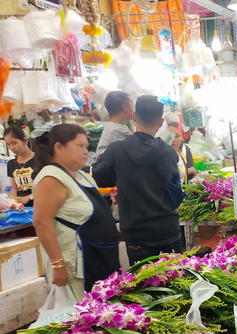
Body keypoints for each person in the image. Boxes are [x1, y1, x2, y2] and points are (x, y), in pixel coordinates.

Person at [32, 124, 120, 299]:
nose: (86, 152)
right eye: (79, 146)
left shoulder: (81, 175)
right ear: (59, 147)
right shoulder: (51, 177)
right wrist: (58, 265)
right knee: (84, 318)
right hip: (78, 266)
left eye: (86, 147)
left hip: (101, 257)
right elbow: (42, 223)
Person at [94, 95, 184, 264]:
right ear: (160, 121)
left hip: (136, 231)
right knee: (175, 281)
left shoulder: (116, 151)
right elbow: (175, 187)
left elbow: (100, 179)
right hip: (167, 227)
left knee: (145, 284)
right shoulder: (169, 152)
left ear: (134, 117)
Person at [4, 126, 38, 206]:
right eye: (8, 145)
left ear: (25, 140)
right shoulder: (11, 164)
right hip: (21, 207)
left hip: (38, 204)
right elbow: (15, 188)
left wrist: (29, 197)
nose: (11, 148)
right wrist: (12, 199)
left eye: (14, 143)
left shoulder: (39, 160)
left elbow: (46, 188)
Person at [95, 91, 134, 161]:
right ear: (124, 107)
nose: (133, 109)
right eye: (132, 106)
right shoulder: (118, 130)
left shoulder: (115, 125)